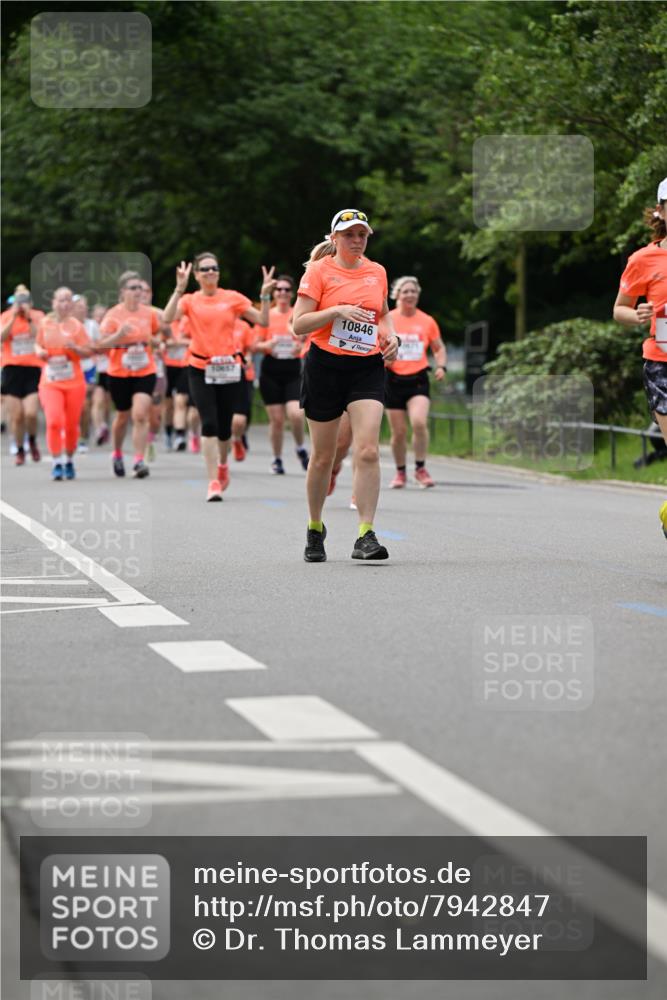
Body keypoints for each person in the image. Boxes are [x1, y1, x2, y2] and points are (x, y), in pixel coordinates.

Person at [293, 208, 400, 562]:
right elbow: (300, 324)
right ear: (334, 238)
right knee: (323, 457)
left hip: (366, 367)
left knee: (367, 449)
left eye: (362, 235)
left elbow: (382, 313)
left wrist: (391, 336)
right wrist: (336, 311)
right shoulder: (318, 272)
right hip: (324, 366)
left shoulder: (377, 271)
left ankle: (365, 534)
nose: (357, 241)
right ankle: (314, 526)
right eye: (350, 235)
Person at [162, 253, 275, 501]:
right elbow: (167, 318)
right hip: (199, 367)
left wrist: (265, 295)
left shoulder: (232, 298)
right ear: (197, 275)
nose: (210, 272)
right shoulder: (190, 300)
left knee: (225, 427)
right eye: (204, 269)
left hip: (228, 368)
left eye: (214, 268)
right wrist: (179, 289)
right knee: (209, 423)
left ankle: (223, 464)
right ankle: (213, 481)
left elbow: (263, 320)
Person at [613, 176, 667, 540]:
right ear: (661, 211)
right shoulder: (643, 258)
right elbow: (619, 310)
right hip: (661, 362)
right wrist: (639, 316)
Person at [384, 275, 447, 488]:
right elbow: (376, 344)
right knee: (398, 431)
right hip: (392, 380)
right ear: (397, 296)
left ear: (418, 295)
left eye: (413, 291)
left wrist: (441, 366)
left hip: (418, 379)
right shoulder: (388, 318)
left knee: (419, 422)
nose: (410, 295)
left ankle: (420, 469)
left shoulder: (427, 321)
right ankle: (400, 472)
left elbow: (438, 348)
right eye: (405, 291)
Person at [97, 271, 161, 478]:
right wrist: (119, 334)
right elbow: (101, 344)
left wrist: (156, 342)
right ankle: (116, 453)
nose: (138, 292)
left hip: (145, 369)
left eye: (140, 288)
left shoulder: (148, 313)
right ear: (123, 291)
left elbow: (157, 332)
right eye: (133, 288)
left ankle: (139, 460)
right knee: (123, 416)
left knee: (140, 414)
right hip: (119, 371)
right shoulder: (113, 314)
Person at [34, 287, 92, 480]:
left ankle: (69, 459)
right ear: (53, 303)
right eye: (61, 300)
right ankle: (57, 462)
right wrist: (40, 352)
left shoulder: (76, 326)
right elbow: (37, 344)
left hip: (74, 382)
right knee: (53, 421)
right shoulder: (45, 323)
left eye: (68, 300)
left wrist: (75, 348)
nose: (65, 304)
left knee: (70, 425)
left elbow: (89, 351)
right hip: (51, 382)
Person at [255, 275, 309, 473]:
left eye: (287, 289)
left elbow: (307, 338)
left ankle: (300, 447)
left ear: (292, 293)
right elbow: (254, 345)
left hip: (293, 370)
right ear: (274, 293)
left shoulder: (298, 312)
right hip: (270, 370)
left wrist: (300, 346)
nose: (283, 293)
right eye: (278, 289)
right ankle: (277, 459)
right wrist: (266, 345)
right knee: (277, 421)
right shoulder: (266, 315)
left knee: (296, 414)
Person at [0, 285, 44, 464]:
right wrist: (13, 318)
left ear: (30, 303)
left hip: (32, 369)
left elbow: (41, 337)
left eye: (25, 301)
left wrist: (28, 319)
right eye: (19, 301)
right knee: (17, 416)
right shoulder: (5, 316)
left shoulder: (38, 316)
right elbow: (1, 337)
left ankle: (32, 441)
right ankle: (20, 449)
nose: (22, 304)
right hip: (12, 369)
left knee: (31, 413)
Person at [71, 295, 100, 453]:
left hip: (88, 368)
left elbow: (100, 344)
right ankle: (70, 432)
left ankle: (82, 437)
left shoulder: (92, 325)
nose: (81, 309)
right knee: (71, 406)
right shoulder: (66, 326)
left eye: (83, 306)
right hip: (70, 369)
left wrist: (89, 349)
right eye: (78, 306)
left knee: (84, 405)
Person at [231, 316, 259, 461]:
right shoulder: (213, 324)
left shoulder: (243, 326)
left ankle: (239, 436)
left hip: (244, 374)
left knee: (242, 415)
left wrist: (246, 358)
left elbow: (250, 349)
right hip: (221, 375)